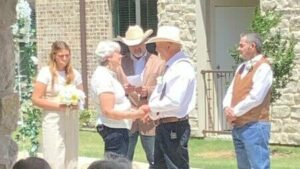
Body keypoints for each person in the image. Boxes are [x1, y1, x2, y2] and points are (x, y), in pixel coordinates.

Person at [139, 25, 196, 169]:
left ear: (169, 46)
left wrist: (150, 108)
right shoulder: (171, 67)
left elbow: (174, 101)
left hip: (174, 126)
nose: (156, 50)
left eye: (158, 46)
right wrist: (153, 113)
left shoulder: (181, 68)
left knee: (174, 165)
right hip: (165, 125)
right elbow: (161, 95)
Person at [223, 33, 272, 169]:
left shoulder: (264, 68)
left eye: (242, 45)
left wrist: (235, 112)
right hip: (238, 125)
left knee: (259, 166)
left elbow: (255, 97)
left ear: (252, 46)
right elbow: (231, 90)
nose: (239, 49)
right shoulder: (241, 68)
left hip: (255, 125)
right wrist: (227, 107)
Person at [118, 25, 165, 168]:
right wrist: (124, 89)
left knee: (154, 158)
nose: (137, 48)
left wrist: (148, 91)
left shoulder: (158, 61)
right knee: (124, 159)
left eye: (139, 45)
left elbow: (163, 87)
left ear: (145, 43)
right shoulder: (121, 62)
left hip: (149, 117)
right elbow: (114, 86)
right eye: (133, 46)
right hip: (129, 116)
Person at [32, 41, 83, 169]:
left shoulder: (75, 74)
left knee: (71, 155)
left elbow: (81, 96)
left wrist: (76, 102)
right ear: (54, 55)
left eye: (67, 55)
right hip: (53, 118)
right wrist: (60, 106)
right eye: (61, 56)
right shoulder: (46, 73)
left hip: (71, 118)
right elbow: (36, 99)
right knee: (54, 154)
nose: (65, 59)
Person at [91, 40, 146, 157]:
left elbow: (118, 104)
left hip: (118, 127)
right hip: (112, 128)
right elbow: (108, 111)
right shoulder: (103, 77)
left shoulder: (110, 74)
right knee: (115, 164)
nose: (121, 56)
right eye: (118, 53)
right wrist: (134, 115)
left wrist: (134, 112)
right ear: (109, 57)